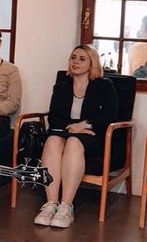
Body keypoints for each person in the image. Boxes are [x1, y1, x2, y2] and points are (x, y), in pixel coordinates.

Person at [34, 45, 117, 229]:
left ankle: (66, 207)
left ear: (91, 63)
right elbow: (53, 117)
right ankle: (51, 204)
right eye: (73, 58)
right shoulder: (62, 85)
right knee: (53, 141)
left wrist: (85, 124)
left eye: (82, 59)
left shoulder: (104, 85)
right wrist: (71, 127)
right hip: (66, 131)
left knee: (73, 142)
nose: (76, 62)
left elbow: (110, 115)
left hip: (92, 135)